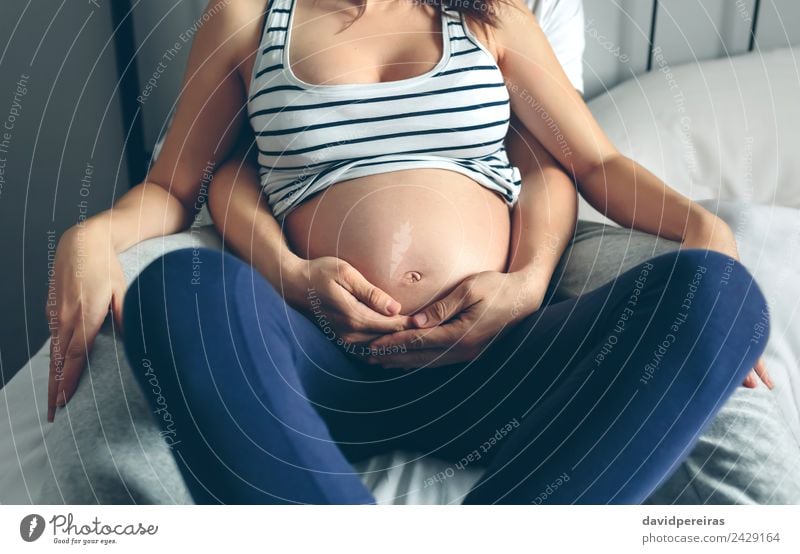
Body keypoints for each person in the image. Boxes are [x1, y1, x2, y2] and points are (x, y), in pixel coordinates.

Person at [49, 0, 772, 504]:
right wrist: (91, 237)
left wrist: (708, 234)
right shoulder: (247, 18)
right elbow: (175, 189)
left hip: (502, 367)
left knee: (724, 298)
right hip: (324, 370)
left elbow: (594, 165)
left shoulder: (492, 16)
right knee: (179, 289)